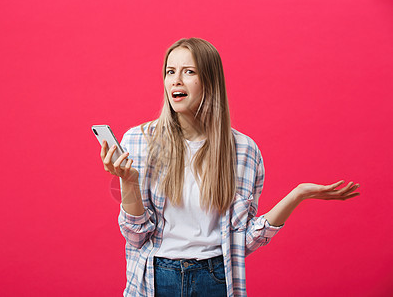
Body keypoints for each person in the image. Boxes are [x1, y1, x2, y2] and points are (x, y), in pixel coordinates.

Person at [100, 38, 360, 297]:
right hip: (155, 279)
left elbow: (242, 241)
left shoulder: (244, 151)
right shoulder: (138, 140)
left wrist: (298, 195)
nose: (176, 80)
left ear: (210, 81)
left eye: (188, 71)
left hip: (215, 279)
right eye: (170, 72)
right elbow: (135, 237)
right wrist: (129, 181)